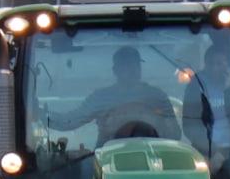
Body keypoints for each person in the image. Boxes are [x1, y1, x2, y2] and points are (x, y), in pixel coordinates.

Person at [44, 46, 181, 146]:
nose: (132, 69)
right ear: (116, 70)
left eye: (135, 65)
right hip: (107, 163)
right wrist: (41, 115)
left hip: (154, 159)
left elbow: (174, 133)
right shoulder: (101, 97)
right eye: (127, 66)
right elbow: (70, 121)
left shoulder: (157, 96)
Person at [182, 42, 230, 171]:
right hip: (206, 150)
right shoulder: (197, 86)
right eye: (211, 64)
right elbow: (190, 125)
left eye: (220, 64)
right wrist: (213, 152)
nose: (215, 68)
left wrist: (228, 90)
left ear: (228, 66)